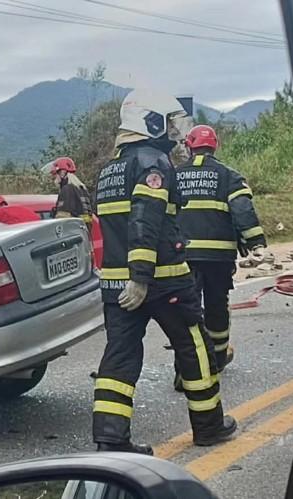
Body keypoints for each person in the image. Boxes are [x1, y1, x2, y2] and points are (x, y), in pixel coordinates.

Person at [92, 89, 236, 455]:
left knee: (119, 357)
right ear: (150, 122)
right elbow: (146, 219)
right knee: (195, 346)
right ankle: (210, 426)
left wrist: (129, 278)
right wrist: (141, 276)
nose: (173, 132)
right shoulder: (153, 161)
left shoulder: (109, 170)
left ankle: (111, 439)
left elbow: (114, 227)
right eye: (168, 122)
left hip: (115, 283)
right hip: (162, 280)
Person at [170, 124, 267, 390]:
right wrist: (255, 242)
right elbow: (242, 210)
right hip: (219, 258)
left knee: (187, 312)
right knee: (216, 308)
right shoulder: (229, 176)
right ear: (215, 146)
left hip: (184, 257)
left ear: (189, 147)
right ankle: (218, 358)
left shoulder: (174, 176)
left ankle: (185, 369)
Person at [50, 157, 94, 229]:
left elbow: (62, 219)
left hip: (73, 231)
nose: (53, 178)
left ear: (62, 173)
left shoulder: (67, 189)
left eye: (55, 174)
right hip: (84, 231)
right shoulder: (83, 189)